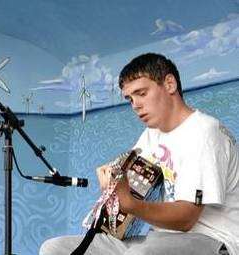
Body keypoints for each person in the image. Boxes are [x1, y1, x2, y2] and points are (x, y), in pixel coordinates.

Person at [39, 53, 239, 255]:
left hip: (213, 240)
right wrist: (112, 185)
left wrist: (131, 204)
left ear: (169, 84)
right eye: (130, 98)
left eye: (142, 93)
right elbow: (130, 187)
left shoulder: (205, 131)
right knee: (55, 249)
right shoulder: (151, 135)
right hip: (158, 239)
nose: (135, 105)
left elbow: (186, 218)